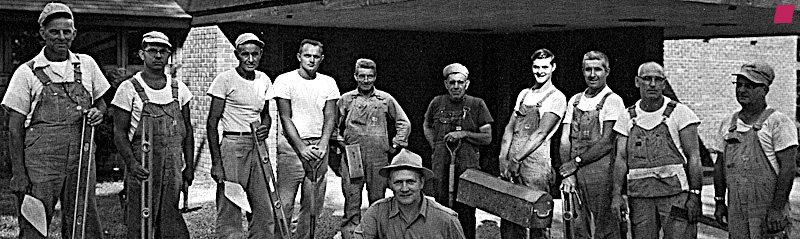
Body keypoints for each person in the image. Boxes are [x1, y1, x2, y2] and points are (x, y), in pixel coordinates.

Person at [2, 2, 110, 238]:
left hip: (81, 156)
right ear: (42, 33)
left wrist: (98, 112)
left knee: (83, 220)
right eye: (54, 31)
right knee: (35, 221)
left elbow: (102, 101)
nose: (61, 37)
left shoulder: (87, 65)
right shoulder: (27, 72)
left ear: (74, 33)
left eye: (66, 31)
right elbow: (14, 127)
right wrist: (19, 173)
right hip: (41, 161)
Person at [111, 31, 194, 239]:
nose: (158, 56)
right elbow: (119, 133)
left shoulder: (179, 89)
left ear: (169, 55)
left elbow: (188, 131)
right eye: (152, 51)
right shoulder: (128, 89)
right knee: (141, 225)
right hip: (143, 167)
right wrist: (131, 163)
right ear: (141, 54)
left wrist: (189, 167)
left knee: (171, 225)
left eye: (163, 51)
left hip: (173, 169)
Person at [610, 62, 702, 239]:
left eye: (657, 79)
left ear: (664, 84)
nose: (652, 84)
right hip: (641, 197)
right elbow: (620, 159)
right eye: (647, 79)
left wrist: (695, 195)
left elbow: (694, 157)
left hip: (675, 196)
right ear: (637, 82)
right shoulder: (627, 117)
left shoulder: (680, 113)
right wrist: (617, 195)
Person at [711, 61, 797, 238]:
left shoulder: (778, 122)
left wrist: (777, 209)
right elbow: (719, 167)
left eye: (750, 86)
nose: (742, 90)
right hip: (737, 212)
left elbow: (788, 169)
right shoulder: (727, 124)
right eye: (739, 85)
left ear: (765, 89)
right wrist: (719, 201)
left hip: (768, 214)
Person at [207, 33, 277, 238]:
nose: (250, 59)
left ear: (261, 54)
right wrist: (216, 163)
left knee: (264, 205)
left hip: (257, 145)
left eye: (255, 54)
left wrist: (266, 127)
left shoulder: (263, 79)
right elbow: (212, 123)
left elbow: (266, 115)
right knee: (231, 205)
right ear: (237, 54)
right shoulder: (225, 79)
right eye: (245, 54)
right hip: (232, 144)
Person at [268, 39, 340, 239]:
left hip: (318, 147)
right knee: (285, 202)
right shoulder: (285, 80)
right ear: (299, 57)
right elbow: (285, 117)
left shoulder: (328, 82)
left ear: (322, 59)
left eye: (316, 57)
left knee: (312, 204)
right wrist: (301, 148)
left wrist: (324, 144)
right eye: (307, 55)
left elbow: (330, 116)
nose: (311, 60)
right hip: (292, 147)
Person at [337, 58, 411, 238]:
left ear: (375, 77)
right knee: (352, 199)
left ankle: (376, 234)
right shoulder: (346, 99)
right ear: (355, 77)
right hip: (353, 156)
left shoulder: (385, 99)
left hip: (378, 157)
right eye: (361, 76)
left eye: (370, 76)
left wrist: (395, 144)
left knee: (377, 200)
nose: (366, 80)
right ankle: (351, 235)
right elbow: (333, 127)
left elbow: (404, 122)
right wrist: (342, 145)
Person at [498, 48, 566, 239]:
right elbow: (509, 128)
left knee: (537, 219)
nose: (540, 71)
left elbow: (541, 133)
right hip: (512, 160)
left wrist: (517, 159)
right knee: (510, 216)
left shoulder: (556, 98)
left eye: (545, 67)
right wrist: (504, 157)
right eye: (536, 67)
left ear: (553, 67)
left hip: (535, 165)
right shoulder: (524, 94)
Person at [558, 51, 625, 239]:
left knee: (606, 228)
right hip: (574, 173)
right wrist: (568, 173)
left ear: (607, 71)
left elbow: (607, 142)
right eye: (588, 70)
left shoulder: (612, 100)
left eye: (598, 69)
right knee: (576, 226)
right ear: (582, 71)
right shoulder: (575, 100)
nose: (592, 74)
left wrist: (576, 162)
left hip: (601, 174)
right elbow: (565, 139)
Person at [423, 63, 493, 239]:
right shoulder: (437, 102)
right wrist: (436, 146)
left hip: (467, 166)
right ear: (446, 84)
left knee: (466, 210)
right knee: (441, 206)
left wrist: (464, 134)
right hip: (441, 165)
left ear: (466, 84)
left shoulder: (477, 104)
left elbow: (487, 137)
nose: (456, 86)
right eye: (452, 82)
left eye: (460, 82)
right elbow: (427, 125)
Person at [354, 149, 466, 239]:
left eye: (410, 182)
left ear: (421, 183)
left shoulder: (446, 219)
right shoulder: (377, 212)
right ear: (390, 184)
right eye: (398, 182)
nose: (404, 188)